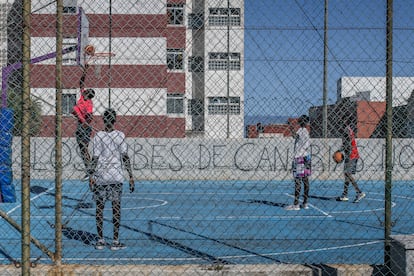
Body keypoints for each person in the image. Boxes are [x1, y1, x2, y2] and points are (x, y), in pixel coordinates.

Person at [89, 108, 135, 250]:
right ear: (115, 120)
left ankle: (100, 239)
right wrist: (131, 176)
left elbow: (95, 158)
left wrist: (91, 175)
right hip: (115, 176)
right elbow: (124, 156)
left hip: (101, 176)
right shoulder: (120, 135)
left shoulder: (98, 136)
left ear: (103, 120)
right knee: (116, 208)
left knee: (100, 208)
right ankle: (115, 241)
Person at [72, 64, 95, 180]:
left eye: (86, 93)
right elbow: (81, 82)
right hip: (80, 125)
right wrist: (85, 70)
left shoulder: (89, 104)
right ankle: (89, 169)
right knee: (82, 149)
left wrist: (85, 117)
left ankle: (91, 169)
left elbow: (90, 118)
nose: (84, 93)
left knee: (85, 148)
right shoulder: (82, 98)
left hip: (85, 127)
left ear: (89, 96)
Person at [285, 115, 311, 211]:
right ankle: (305, 203)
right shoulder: (307, 132)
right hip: (306, 157)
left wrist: (290, 127)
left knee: (298, 181)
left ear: (300, 122)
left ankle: (296, 204)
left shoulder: (301, 130)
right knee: (306, 181)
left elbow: (294, 136)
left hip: (299, 157)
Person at [336, 124, 366, 203]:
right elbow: (347, 143)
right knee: (347, 175)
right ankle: (345, 194)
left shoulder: (346, 130)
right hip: (352, 154)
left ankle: (359, 192)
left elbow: (347, 143)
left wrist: (339, 151)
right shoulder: (348, 129)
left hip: (351, 155)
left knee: (347, 174)